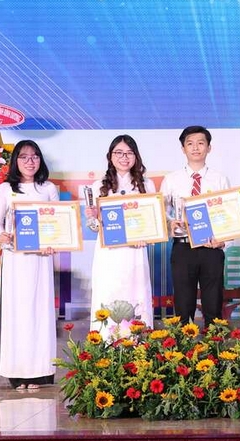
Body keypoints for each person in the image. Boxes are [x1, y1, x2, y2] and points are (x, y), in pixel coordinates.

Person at [0, 140, 58, 390]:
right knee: (17, 311)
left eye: (35, 156)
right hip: (15, 259)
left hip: (41, 259)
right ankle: (17, 373)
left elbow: (57, 222)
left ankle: (41, 372)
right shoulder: (5, 189)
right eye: (24, 157)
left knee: (40, 311)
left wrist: (54, 242)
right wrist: (1, 236)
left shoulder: (48, 188)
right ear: (15, 161)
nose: (30, 161)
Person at [159, 126, 230, 326]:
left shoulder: (220, 179)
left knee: (213, 304)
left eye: (201, 143)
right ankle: (182, 344)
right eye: (190, 143)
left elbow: (228, 214)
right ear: (183, 149)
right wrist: (170, 223)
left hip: (211, 248)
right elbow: (161, 213)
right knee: (183, 304)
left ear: (209, 147)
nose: (196, 148)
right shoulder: (171, 179)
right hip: (183, 247)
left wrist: (223, 241)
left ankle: (214, 344)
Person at [85, 135, 154, 333]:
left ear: (136, 156)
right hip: (108, 253)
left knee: (136, 293)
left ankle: (138, 343)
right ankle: (105, 343)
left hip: (135, 251)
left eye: (129, 153)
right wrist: (93, 217)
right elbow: (93, 227)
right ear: (110, 156)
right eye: (119, 153)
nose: (124, 157)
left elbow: (152, 221)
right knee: (109, 292)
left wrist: (146, 237)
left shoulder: (146, 185)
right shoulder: (98, 186)